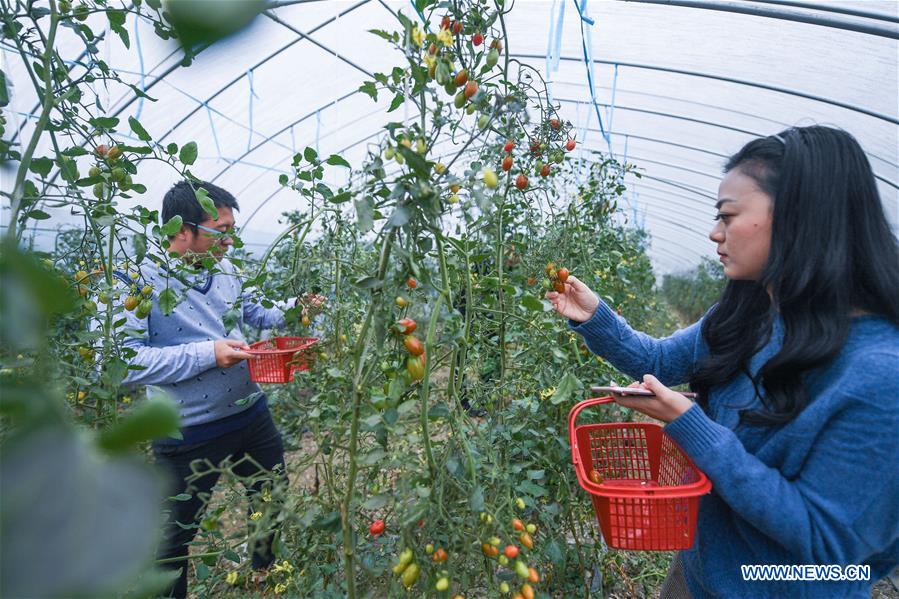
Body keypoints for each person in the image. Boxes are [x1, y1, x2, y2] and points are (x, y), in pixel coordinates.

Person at [547, 126, 899, 598]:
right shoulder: (748, 314)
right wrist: (595, 318)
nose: (715, 233)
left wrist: (694, 427)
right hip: (698, 572)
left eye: (728, 216)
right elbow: (658, 360)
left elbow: (826, 540)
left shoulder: (880, 376)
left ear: (800, 216)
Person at [116, 180, 322, 599]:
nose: (229, 240)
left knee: (270, 497)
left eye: (232, 230)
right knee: (175, 538)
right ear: (181, 229)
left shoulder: (225, 268)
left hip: (249, 412)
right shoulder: (137, 278)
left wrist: (297, 309)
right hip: (187, 429)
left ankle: (265, 573)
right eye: (220, 230)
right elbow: (121, 363)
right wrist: (208, 353)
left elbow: (256, 312)